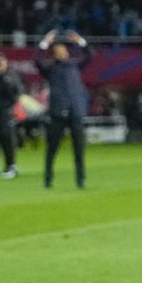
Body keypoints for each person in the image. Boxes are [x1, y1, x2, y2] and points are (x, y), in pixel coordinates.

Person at [35, 29, 92, 188]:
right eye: (59, 51)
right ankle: (48, 178)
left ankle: (80, 179)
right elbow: (37, 61)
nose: (62, 53)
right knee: (52, 148)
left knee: (79, 149)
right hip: (57, 112)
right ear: (54, 53)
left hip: (75, 111)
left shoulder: (74, 65)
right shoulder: (50, 68)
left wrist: (80, 41)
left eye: (64, 50)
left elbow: (90, 56)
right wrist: (44, 43)